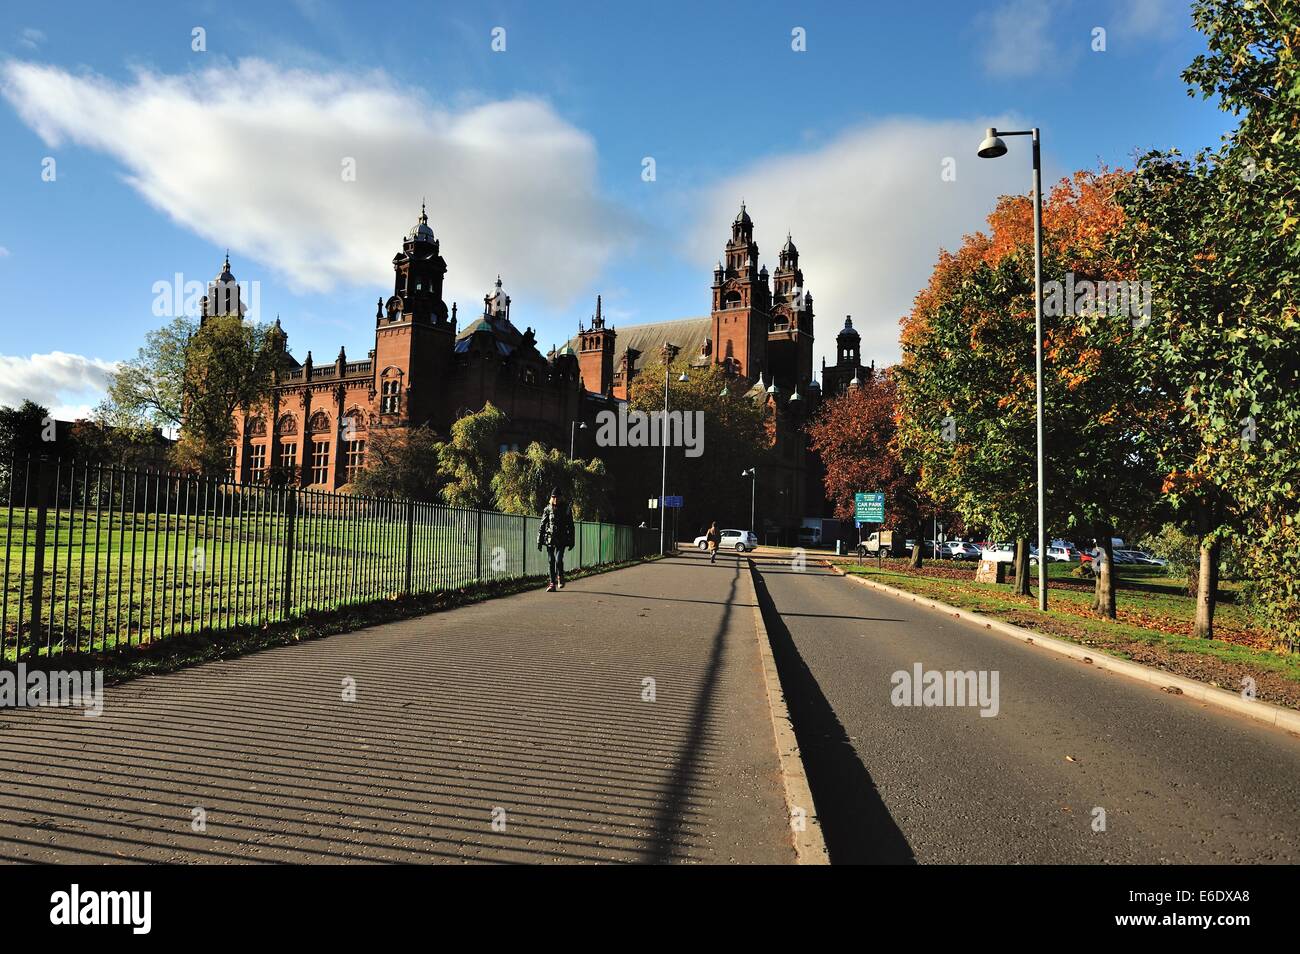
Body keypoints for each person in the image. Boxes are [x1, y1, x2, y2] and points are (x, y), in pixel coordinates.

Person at [537, 487, 576, 591]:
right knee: (551, 561)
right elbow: (542, 525)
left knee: (558, 560)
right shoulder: (548, 509)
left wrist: (572, 541)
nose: (555, 499)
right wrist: (539, 541)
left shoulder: (566, 509)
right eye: (553, 497)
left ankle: (560, 577)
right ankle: (552, 584)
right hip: (550, 539)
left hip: (562, 539)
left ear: (561, 497)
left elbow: (571, 526)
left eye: (557, 497)